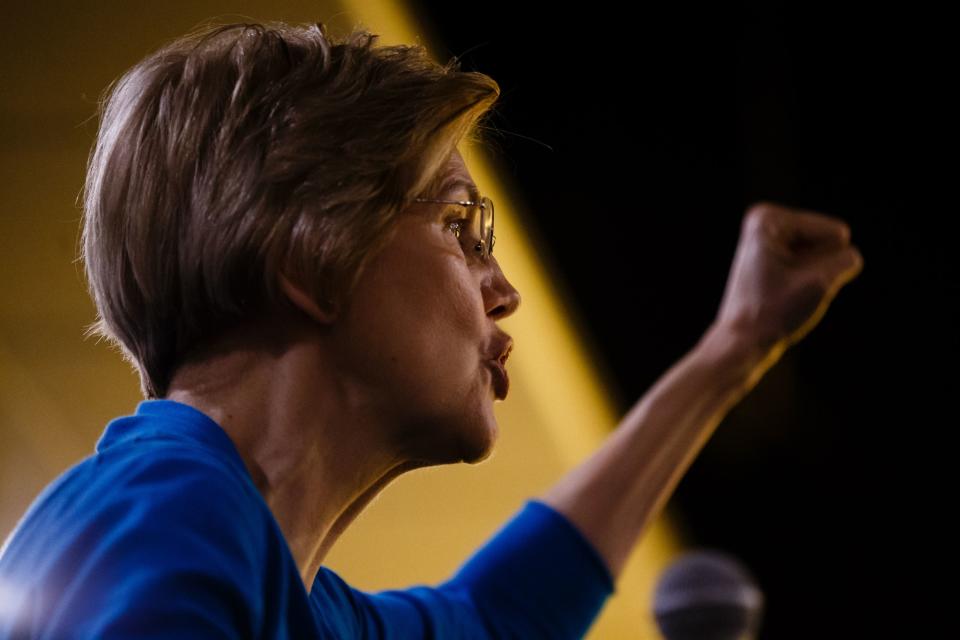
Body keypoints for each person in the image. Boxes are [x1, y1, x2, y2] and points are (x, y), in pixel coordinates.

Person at [0, 19, 863, 639]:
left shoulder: (261, 573)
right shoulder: (169, 519)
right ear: (311, 255)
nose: (504, 291)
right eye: (461, 228)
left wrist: (735, 347)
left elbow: (502, 612)